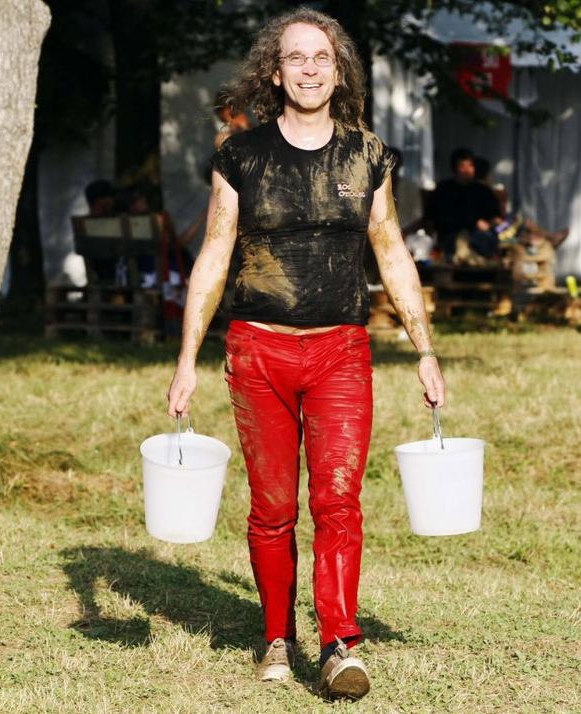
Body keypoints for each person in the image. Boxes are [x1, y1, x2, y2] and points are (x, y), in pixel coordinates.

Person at [165, 8, 445, 701]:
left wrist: (425, 349)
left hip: (340, 352)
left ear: (339, 71)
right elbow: (214, 256)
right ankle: (275, 637)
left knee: (338, 499)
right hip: (257, 351)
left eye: (322, 57)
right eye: (296, 57)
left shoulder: (368, 156)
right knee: (272, 508)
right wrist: (185, 360)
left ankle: (340, 644)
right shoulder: (240, 155)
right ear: (275, 71)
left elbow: (391, 252)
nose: (310, 69)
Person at [424, 147, 502, 261]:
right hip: (450, 237)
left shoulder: (484, 191)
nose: (467, 170)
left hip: (479, 239)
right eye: (462, 166)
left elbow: (497, 219)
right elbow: (430, 218)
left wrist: (488, 224)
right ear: (454, 169)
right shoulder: (443, 189)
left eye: (470, 166)